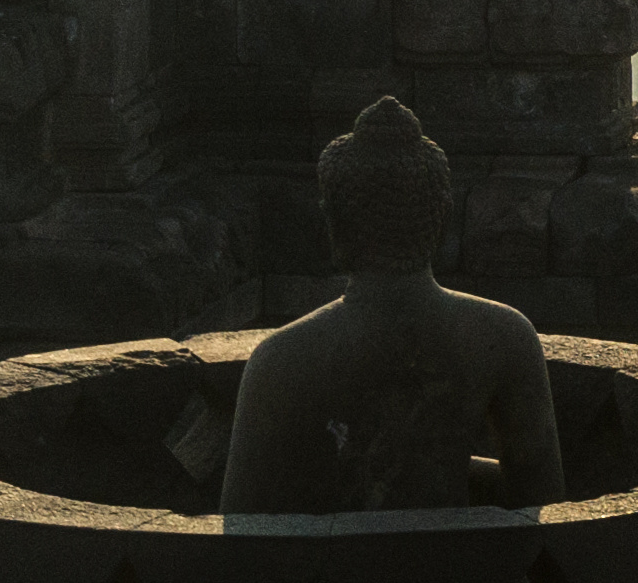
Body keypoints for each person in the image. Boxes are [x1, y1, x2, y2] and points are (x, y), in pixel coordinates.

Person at [219, 95, 563, 513]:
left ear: (334, 223)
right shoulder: (506, 337)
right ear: (443, 219)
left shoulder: (281, 360)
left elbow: (241, 532)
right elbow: (543, 507)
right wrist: (435, 465)